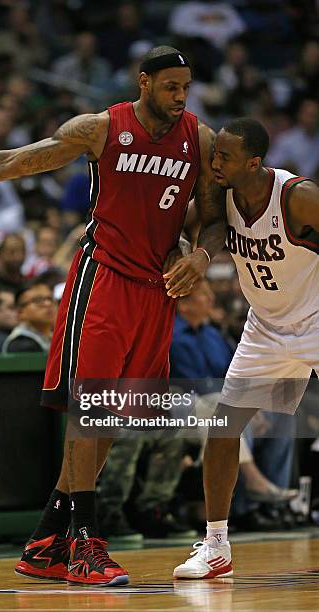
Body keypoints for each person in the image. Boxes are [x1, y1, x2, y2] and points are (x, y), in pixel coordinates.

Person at [0, 45, 226, 586]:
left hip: (156, 290)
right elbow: (13, 161)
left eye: (186, 87)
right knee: (88, 409)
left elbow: (211, 219)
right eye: (170, 86)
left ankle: (48, 540)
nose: (180, 96)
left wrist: (200, 256)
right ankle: (84, 547)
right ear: (143, 82)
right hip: (105, 276)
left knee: (114, 419)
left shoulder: (200, 137)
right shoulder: (100, 128)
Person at [174, 117, 319, 579]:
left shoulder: (298, 196)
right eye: (214, 153)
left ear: (254, 163)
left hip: (316, 321)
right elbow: (200, 226)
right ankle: (216, 544)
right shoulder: (221, 193)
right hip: (266, 329)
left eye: (225, 157)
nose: (214, 162)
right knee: (222, 428)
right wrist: (186, 251)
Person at [3, 281, 56, 353]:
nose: (47, 304)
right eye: (38, 300)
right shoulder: (20, 344)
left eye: (50, 298)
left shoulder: (54, 337)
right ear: (20, 312)